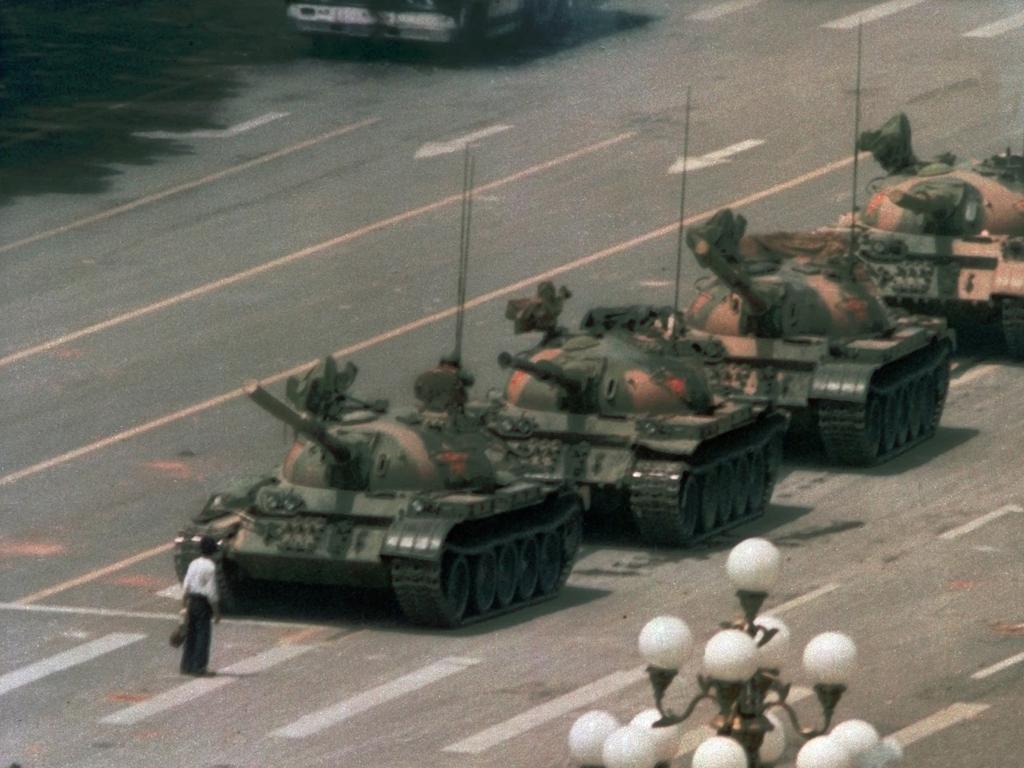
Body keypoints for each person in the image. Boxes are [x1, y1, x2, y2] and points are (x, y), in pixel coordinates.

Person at [180, 536, 221, 676]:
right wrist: (216, 612)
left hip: (191, 600)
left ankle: (186, 665)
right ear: (213, 551)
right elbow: (212, 592)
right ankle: (199, 667)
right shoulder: (210, 567)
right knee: (203, 635)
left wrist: (184, 606)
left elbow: (186, 585)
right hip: (203, 603)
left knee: (191, 634)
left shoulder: (193, 563)